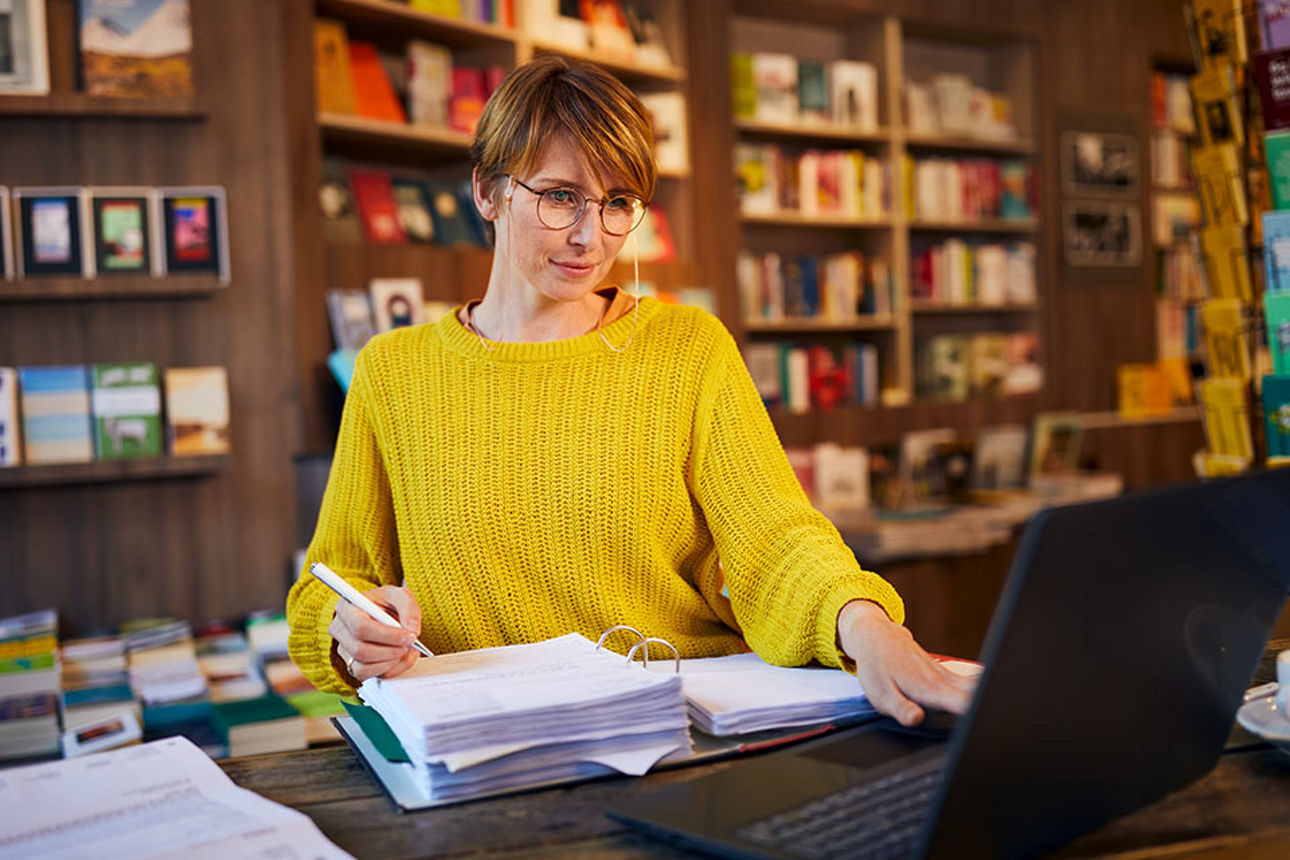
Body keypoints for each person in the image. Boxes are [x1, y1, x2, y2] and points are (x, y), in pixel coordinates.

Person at [286, 55, 971, 727]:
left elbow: (777, 539)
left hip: (676, 731)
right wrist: (350, 631)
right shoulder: (393, 371)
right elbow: (330, 582)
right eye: (560, 197)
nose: (592, 235)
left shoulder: (688, 348)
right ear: (487, 193)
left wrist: (868, 626)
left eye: (618, 203)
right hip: (483, 750)